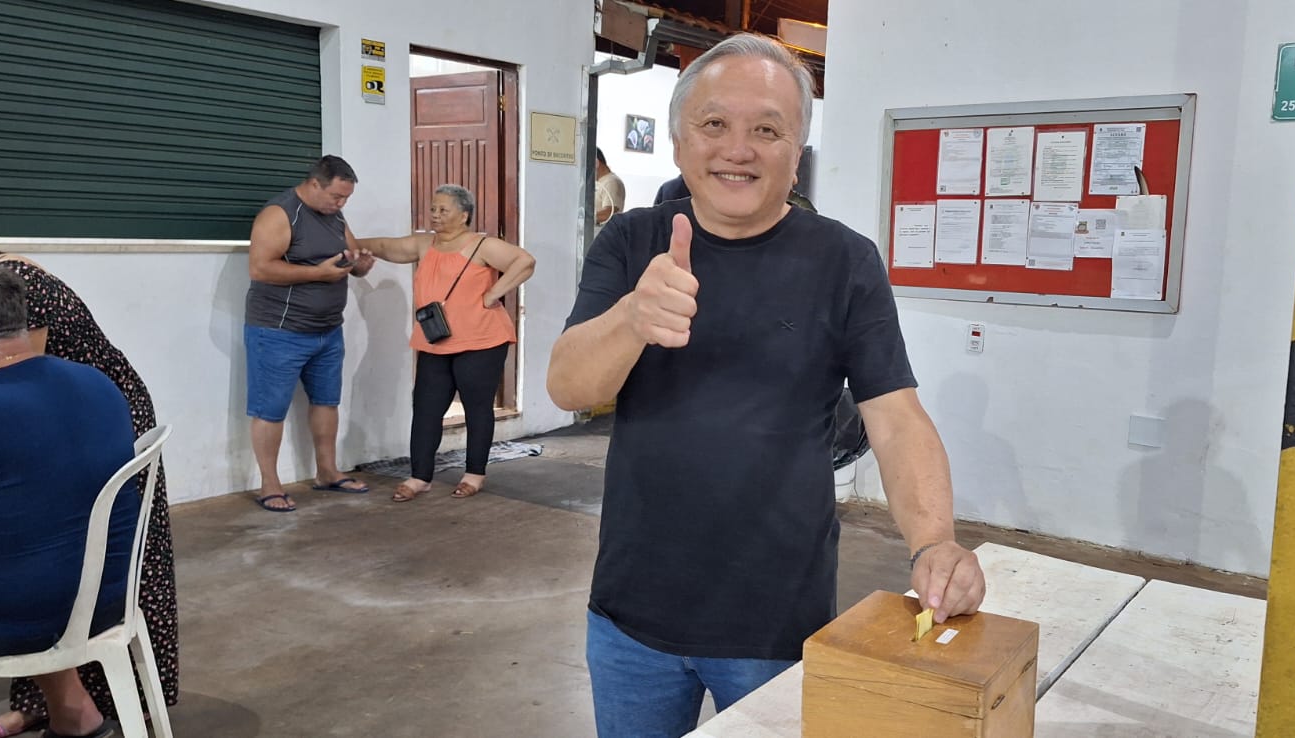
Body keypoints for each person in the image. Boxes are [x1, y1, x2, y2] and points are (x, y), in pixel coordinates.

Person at [548, 34, 987, 737]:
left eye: (766, 130)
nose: (738, 149)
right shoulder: (630, 241)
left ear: (797, 151)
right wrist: (632, 317)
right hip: (631, 616)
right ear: (679, 141)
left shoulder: (844, 260)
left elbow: (896, 417)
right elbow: (569, 385)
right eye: (714, 123)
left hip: (777, 620)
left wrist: (934, 541)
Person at [0, 217, 181, 738]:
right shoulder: (98, 386)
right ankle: (77, 714)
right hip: (101, 600)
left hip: (5, 617)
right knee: (26, 539)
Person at [358, 184, 535, 502]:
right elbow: (386, 246)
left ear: (464, 215)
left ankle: (474, 473)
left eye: (443, 210)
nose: (435, 215)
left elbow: (524, 261)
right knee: (426, 408)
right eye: (433, 209)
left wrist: (493, 294)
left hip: (481, 340)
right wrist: (352, 243)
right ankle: (420, 476)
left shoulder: (481, 245)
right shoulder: (424, 244)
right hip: (436, 340)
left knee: (477, 408)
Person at [244, 155, 377, 512]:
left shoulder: (335, 216)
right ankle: (270, 485)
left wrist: (360, 266)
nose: (341, 204)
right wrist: (317, 274)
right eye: (337, 196)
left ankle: (327, 472)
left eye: (346, 198)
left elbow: (348, 259)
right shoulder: (280, 214)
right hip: (278, 330)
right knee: (270, 409)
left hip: (328, 331)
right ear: (315, 184)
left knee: (326, 402)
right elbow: (260, 268)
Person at [595, 148, 627, 228]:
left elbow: (609, 214)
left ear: (596, 163)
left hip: (602, 234)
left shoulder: (611, 182)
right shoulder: (599, 181)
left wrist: (583, 218)